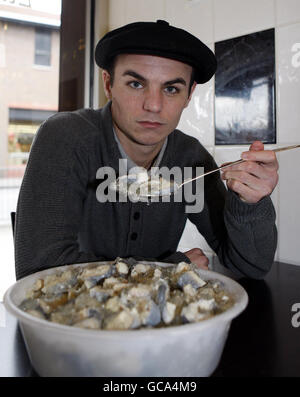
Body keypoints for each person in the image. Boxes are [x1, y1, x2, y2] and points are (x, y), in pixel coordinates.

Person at [14, 20, 278, 280]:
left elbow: (251, 266)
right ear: (109, 84)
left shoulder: (190, 159)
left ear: (189, 95)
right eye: (136, 84)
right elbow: (39, 270)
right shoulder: (66, 139)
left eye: (171, 88)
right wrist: (166, 271)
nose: (153, 105)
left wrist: (249, 203)